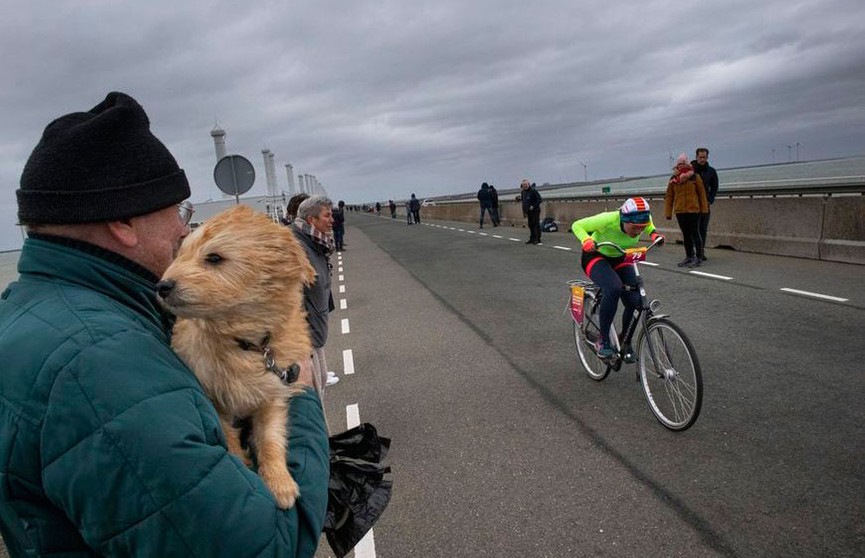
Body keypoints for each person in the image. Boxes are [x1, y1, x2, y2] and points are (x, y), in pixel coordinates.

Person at [0, 92, 329, 557]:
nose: (182, 229)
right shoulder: (101, 363)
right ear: (122, 223)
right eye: (176, 210)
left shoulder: (28, 310)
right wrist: (300, 392)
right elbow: (267, 546)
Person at [571, 197, 665, 359]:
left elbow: (648, 223)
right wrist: (586, 240)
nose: (637, 231)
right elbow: (577, 225)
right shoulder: (608, 220)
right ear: (624, 219)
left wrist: (653, 233)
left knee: (635, 301)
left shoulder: (642, 219)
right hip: (595, 256)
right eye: (635, 228)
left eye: (640, 229)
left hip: (620, 256)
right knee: (613, 288)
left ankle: (624, 341)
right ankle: (604, 340)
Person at [293, 196, 340, 391]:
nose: (332, 220)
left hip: (315, 330)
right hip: (305, 336)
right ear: (311, 220)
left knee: (320, 379)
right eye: (327, 215)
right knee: (313, 388)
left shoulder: (314, 241)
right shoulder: (296, 246)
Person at [664, 153, 709, 267]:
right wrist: (668, 213)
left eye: (684, 163)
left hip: (694, 210)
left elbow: (702, 194)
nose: (682, 166)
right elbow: (669, 196)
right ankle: (689, 256)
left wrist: (704, 210)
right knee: (686, 235)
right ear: (677, 165)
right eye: (680, 164)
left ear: (687, 163)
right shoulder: (673, 179)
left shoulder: (695, 177)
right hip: (680, 211)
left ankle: (699, 256)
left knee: (695, 233)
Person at [691, 147, 719, 261]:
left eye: (704, 157)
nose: (702, 159)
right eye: (700, 157)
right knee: (693, 229)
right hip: (692, 205)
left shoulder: (711, 171)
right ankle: (692, 252)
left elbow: (715, 187)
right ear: (696, 157)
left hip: (705, 205)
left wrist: (710, 200)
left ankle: (701, 252)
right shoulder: (690, 171)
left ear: (707, 158)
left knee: (702, 229)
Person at [520, 179, 543, 244]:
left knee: (536, 224)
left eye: (526, 185)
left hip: (535, 210)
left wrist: (533, 206)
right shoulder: (523, 192)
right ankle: (532, 238)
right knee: (530, 225)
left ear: (528, 184)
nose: (525, 186)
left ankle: (537, 239)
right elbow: (523, 202)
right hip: (528, 211)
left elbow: (539, 200)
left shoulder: (533, 191)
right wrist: (524, 212)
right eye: (523, 185)